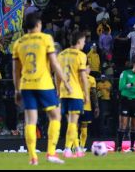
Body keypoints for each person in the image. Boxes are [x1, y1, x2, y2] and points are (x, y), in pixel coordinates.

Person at [13, 12, 72, 165]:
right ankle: (51, 153)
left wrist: (17, 90)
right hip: (43, 84)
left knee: (30, 121)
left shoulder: (19, 43)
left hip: (26, 85)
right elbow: (54, 63)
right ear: (38, 25)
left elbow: (15, 70)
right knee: (55, 116)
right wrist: (65, 82)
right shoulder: (45, 38)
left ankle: (33, 157)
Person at [57, 31, 89, 159]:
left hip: (63, 92)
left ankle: (76, 149)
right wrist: (86, 93)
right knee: (73, 122)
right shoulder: (81, 55)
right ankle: (67, 149)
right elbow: (83, 77)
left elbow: (57, 75)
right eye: (84, 42)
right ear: (79, 41)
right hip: (75, 92)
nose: (84, 44)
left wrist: (58, 90)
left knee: (71, 123)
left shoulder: (61, 55)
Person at [78, 69, 98, 152]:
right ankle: (73, 146)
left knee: (84, 127)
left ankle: (81, 147)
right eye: (87, 67)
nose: (88, 69)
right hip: (76, 104)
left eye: (89, 68)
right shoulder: (75, 76)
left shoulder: (91, 79)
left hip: (87, 106)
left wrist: (96, 106)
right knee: (73, 126)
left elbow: (93, 93)